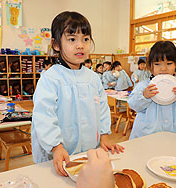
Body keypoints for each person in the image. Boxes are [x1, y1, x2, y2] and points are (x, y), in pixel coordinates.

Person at [31, 11, 124, 176]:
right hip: (58, 155)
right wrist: (56, 146)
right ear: (56, 44)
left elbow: (102, 109)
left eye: (86, 39)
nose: (80, 45)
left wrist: (104, 136)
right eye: (72, 39)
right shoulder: (51, 78)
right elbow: (43, 116)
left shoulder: (93, 78)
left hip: (87, 151)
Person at [128, 41, 176, 139]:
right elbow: (132, 104)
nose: (163, 68)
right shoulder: (144, 85)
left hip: (173, 134)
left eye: (169, 63)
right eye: (157, 64)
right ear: (151, 67)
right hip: (146, 135)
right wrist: (144, 96)